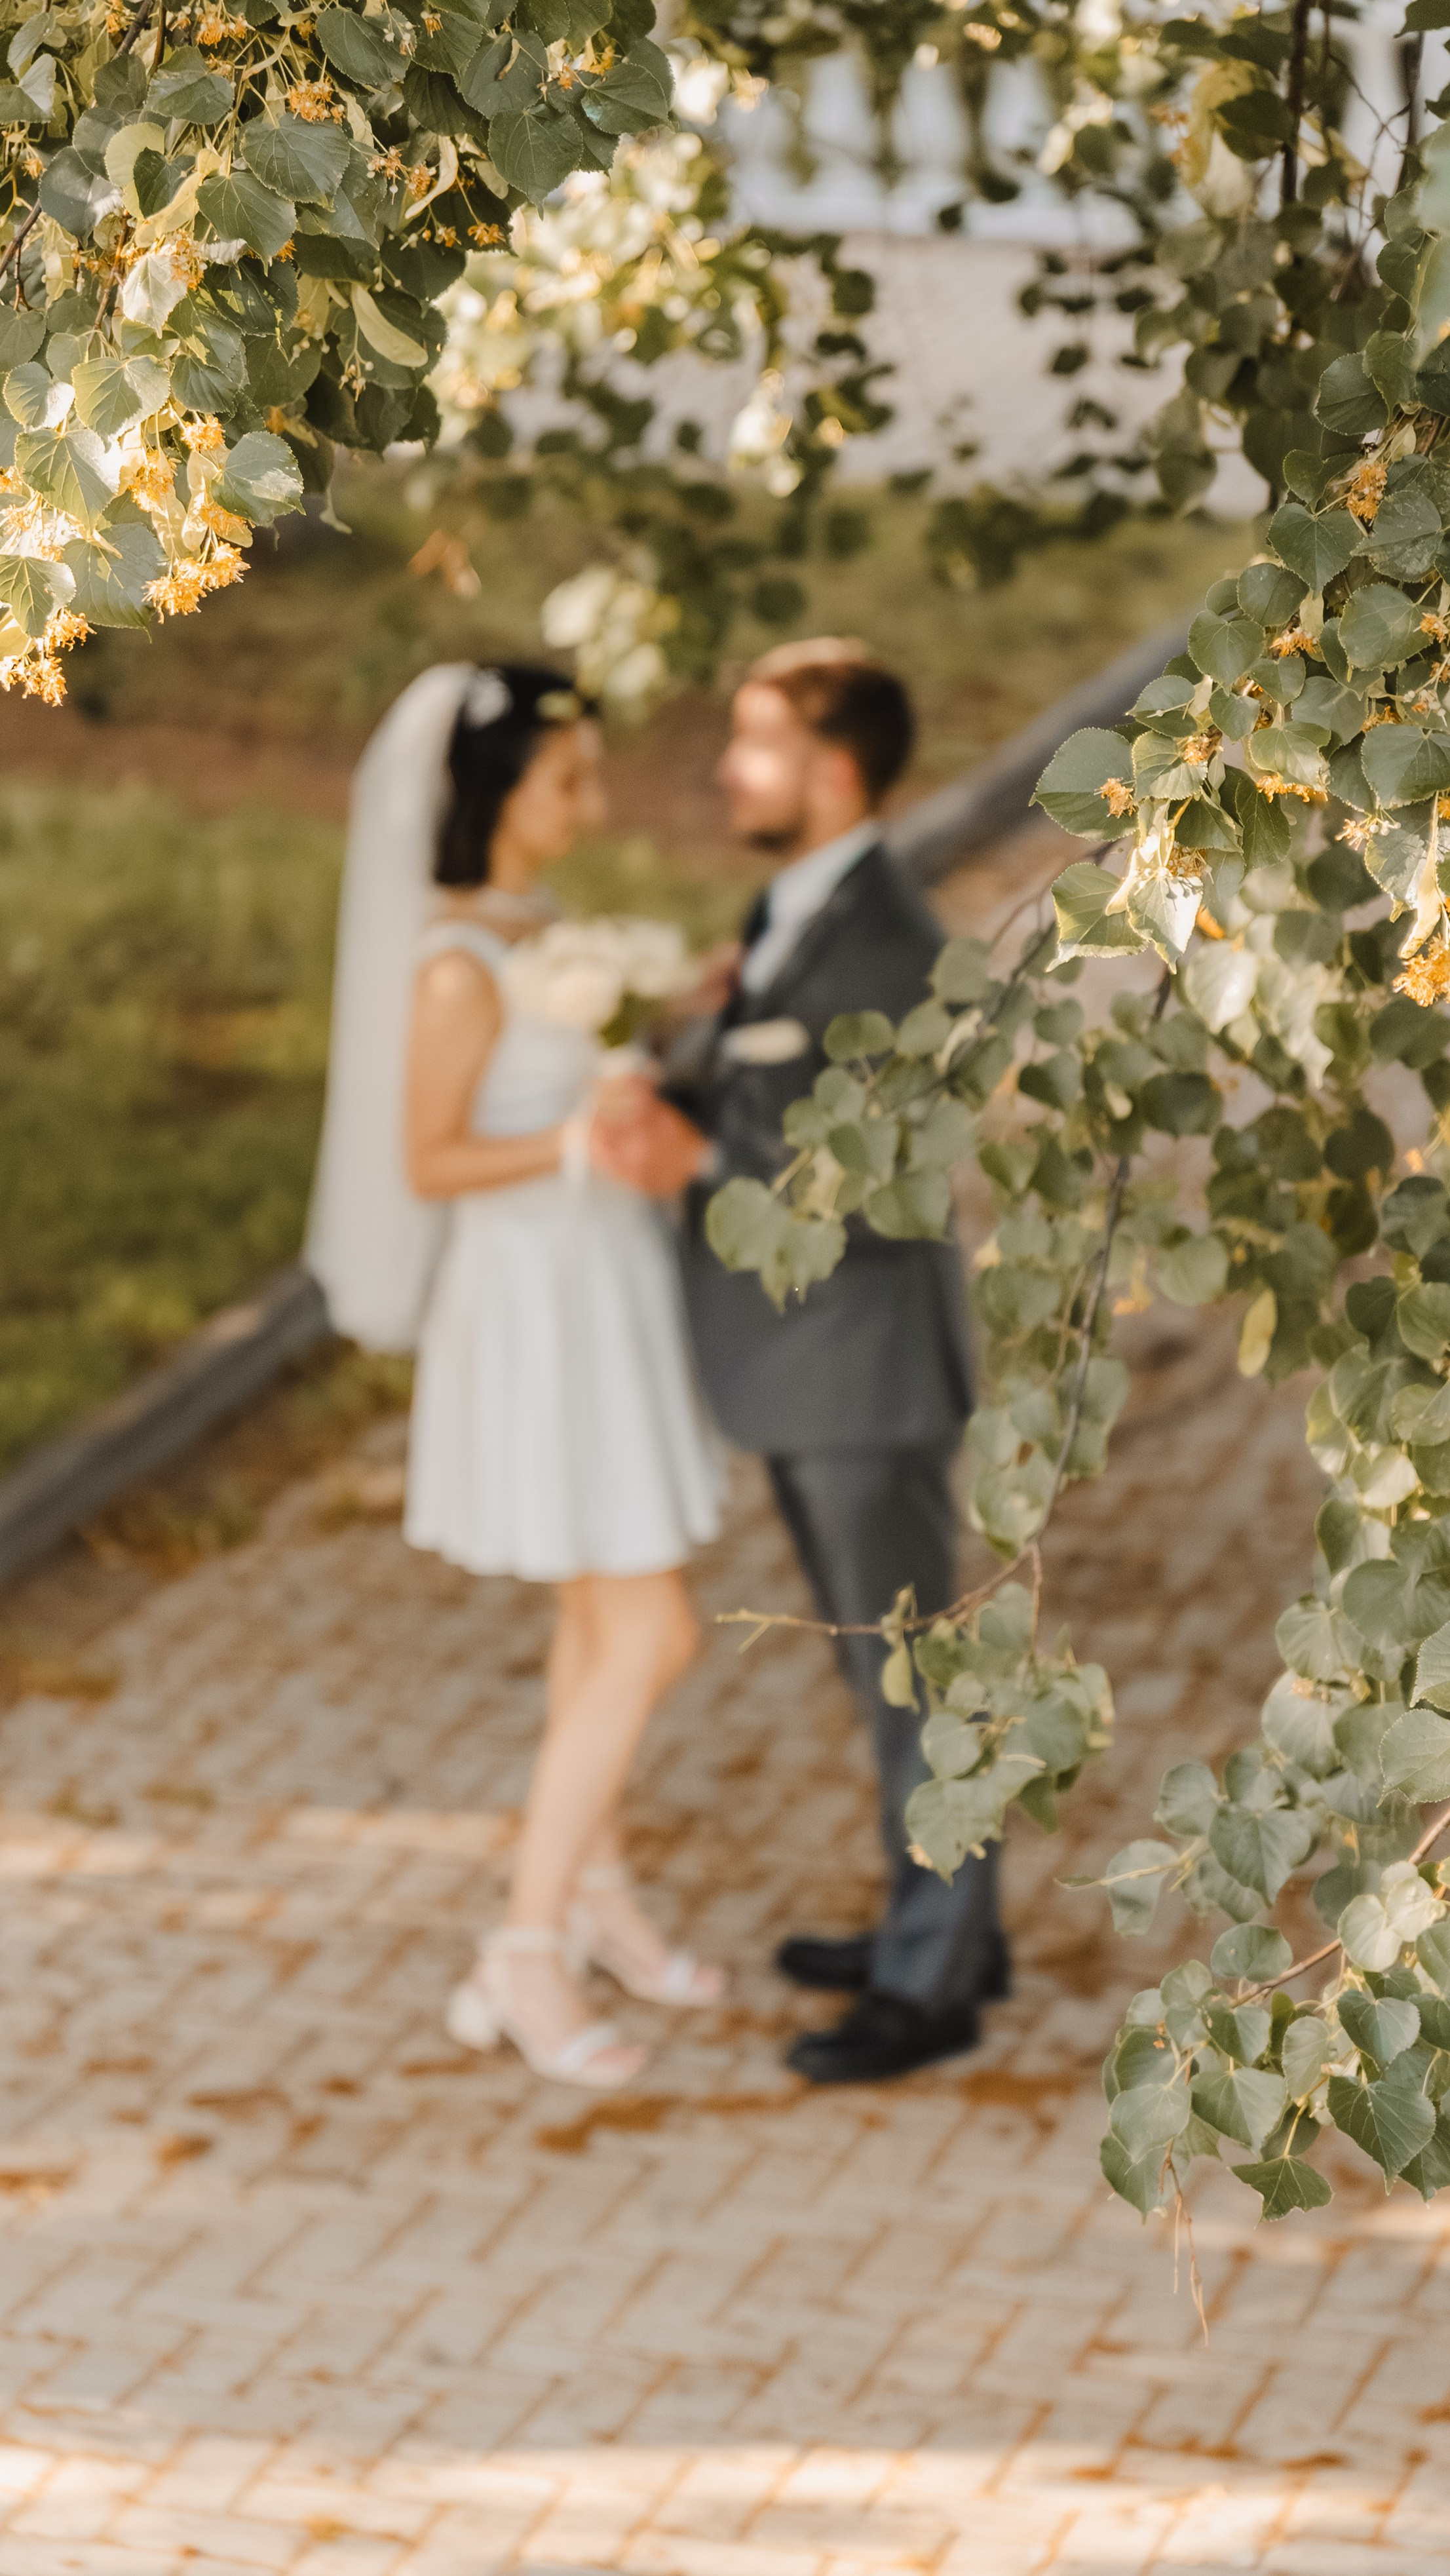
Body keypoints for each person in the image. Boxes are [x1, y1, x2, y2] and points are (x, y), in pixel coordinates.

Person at [591, 639, 1008, 2085]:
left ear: (831, 770)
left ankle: (934, 1980)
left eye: (753, 744)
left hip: (863, 1364)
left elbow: (878, 1169)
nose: (726, 767)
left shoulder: (890, 938)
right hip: (807, 1359)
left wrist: (699, 1150)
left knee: (913, 1681)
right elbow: (777, 1068)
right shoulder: (798, 907)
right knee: (885, 1674)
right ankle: (946, 1917)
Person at [306, 663, 725, 2093]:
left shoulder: (539, 929)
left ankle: (593, 1892)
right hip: (534, 1301)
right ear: (492, 796)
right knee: (651, 1631)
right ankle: (525, 1948)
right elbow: (430, 1160)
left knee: (590, 1619)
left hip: (600, 1284)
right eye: (570, 781)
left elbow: (571, 1075)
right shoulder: (453, 964)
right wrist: (570, 1140)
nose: (591, 803)